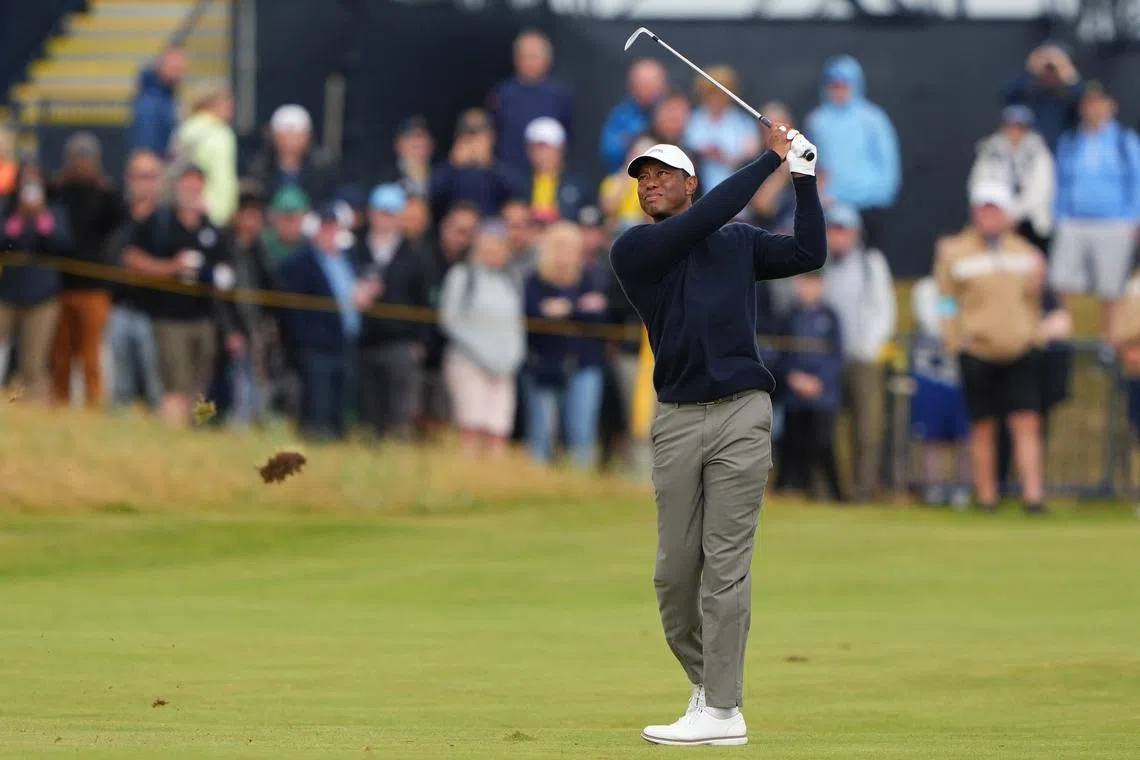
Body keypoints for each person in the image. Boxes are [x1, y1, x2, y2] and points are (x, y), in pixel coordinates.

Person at [609, 121, 824, 745]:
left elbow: (809, 254)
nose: (650, 184)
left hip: (742, 413)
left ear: (690, 182)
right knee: (675, 576)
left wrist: (803, 180)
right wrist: (771, 160)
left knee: (725, 565)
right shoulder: (635, 249)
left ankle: (722, 712)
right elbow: (699, 225)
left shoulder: (737, 241)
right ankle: (710, 688)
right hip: (676, 418)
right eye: (643, 178)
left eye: (662, 174)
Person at [935, 181, 1048, 515]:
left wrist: (1034, 333)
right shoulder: (954, 252)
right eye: (984, 208)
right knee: (982, 426)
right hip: (977, 349)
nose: (989, 215)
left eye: (995, 209)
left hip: (1020, 348)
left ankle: (1033, 497)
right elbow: (946, 302)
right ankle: (986, 496)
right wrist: (955, 340)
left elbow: (1033, 300)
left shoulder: (1025, 253)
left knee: (1026, 423)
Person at [123, 165, 231, 426]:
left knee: (201, 386)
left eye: (197, 186)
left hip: (203, 318)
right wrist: (171, 267)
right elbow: (131, 258)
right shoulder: (160, 222)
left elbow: (225, 268)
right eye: (187, 185)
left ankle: (197, 433)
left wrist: (219, 276)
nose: (192, 191)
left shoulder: (211, 229)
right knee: (176, 385)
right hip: (169, 319)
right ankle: (173, 436)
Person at [278, 204, 378, 441]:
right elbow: (292, 311)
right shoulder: (299, 263)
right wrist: (304, 342)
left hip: (345, 344)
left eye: (334, 228)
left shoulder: (349, 261)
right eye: (325, 228)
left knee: (340, 408)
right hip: (316, 348)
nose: (330, 233)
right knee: (317, 409)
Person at [1049, 82, 1140, 344]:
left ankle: (1108, 343)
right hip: (1074, 220)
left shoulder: (1124, 140)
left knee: (1111, 287)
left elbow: (1137, 180)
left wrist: (1134, 219)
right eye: (1088, 103)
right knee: (1062, 281)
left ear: (1111, 107)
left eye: (1099, 103)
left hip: (1114, 223)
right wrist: (1060, 214)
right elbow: (1061, 182)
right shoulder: (1071, 140)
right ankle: (1065, 336)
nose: (1093, 109)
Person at [821, 204, 896, 502]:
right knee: (833, 426)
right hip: (829, 357)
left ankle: (864, 490)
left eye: (843, 230)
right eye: (834, 229)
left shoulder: (871, 263)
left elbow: (884, 307)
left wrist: (872, 346)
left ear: (855, 233)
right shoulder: (821, 263)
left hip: (862, 356)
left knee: (868, 426)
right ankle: (838, 489)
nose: (838, 236)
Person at [521, 222, 609, 469]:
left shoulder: (591, 277)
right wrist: (578, 307)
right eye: (558, 247)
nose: (564, 254)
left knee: (582, 431)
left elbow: (599, 316)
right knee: (542, 432)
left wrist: (564, 309)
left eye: (570, 248)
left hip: (584, 366)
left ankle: (580, 486)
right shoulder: (534, 281)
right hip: (543, 367)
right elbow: (533, 316)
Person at [49, 132, 127, 407]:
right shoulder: (55, 192)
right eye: (77, 157)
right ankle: (58, 405)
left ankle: (94, 406)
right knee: (60, 355)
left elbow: (122, 227)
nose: (81, 163)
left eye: (86, 158)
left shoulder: (107, 196)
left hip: (94, 287)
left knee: (91, 355)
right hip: (59, 286)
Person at [353, 183, 433, 441]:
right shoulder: (355, 248)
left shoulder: (416, 255)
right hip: (362, 341)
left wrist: (420, 342)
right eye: (380, 212)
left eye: (390, 213)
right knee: (368, 414)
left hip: (401, 343)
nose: (384, 219)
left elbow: (425, 303)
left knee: (400, 416)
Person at [439, 222, 526, 457]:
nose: (493, 252)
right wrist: (483, 354)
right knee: (471, 424)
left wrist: (513, 357)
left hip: (503, 367)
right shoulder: (462, 275)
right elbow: (450, 320)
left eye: (498, 247)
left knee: (498, 427)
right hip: (467, 362)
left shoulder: (511, 280)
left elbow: (517, 325)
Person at [805, 55, 900, 249]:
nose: (838, 90)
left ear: (855, 85)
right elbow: (812, 163)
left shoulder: (873, 119)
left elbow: (888, 162)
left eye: (843, 84)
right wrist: (819, 193)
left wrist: (880, 195)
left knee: (870, 258)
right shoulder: (817, 120)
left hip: (869, 205)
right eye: (834, 84)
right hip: (831, 204)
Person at [0, 163, 73, 403]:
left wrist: (41, 218)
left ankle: (34, 407)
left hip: (42, 297)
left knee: (33, 362)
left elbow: (62, 244)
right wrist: (19, 219)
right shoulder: (7, 209)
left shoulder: (55, 210)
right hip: (7, 294)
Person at [771, 271, 844, 502]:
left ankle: (830, 493)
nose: (807, 289)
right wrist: (793, 378)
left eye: (812, 284)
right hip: (793, 395)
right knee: (791, 444)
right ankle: (789, 490)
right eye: (803, 283)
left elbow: (837, 356)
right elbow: (779, 354)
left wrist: (818, 382)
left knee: (822, 443)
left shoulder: (831, 317)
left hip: (823, 395)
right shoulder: (788, 317)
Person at [106, 149, 165, 412]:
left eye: (150, 176)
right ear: (128, 178)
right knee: (120, 389)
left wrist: (143, 264)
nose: (144, 182)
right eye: (139, 176)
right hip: (119, 308)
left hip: (158, 315)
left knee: (156, 388)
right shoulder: (116, 215)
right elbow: (112, 258)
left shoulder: (168, 219)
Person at [907, 276, 971, 508]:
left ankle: (962, 490)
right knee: (930, 437)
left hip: (963, 374)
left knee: (965, 436)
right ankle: (932, 488)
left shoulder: (970, 282)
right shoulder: (925, 288)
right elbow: (934, 322)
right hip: (932, 375)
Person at [219, 187, 278, 427]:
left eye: (257, 216)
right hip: (234, 329)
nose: (253, 222)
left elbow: (271, 289)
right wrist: (229, 330)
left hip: (257, 329)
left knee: (257, 381)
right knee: (238, 383)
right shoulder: (225, 247)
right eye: (249, 215)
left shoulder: (259, 251)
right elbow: (219, 297)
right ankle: (237, 425)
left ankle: (253, 422)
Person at [421, 202, 481, 437]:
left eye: (470, 233)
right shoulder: (425, 259)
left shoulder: (476, 268)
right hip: (426, 354)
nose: (464, 239)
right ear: (444, 228)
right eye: (459, 231)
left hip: (462, 355)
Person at [968, 104, 1056, 252]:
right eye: (1011, 125)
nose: (1015, 131)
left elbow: (1040, 192)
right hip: (996, 222)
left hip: (1031, 223)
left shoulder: (1040, 152)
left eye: (1020, 127)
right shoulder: (990, 150)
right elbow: (978, 185)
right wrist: (996, 215)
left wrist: (1013, 215)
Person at [487, 30, 573, 175]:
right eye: (523, 57)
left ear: (547, 60)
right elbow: (493, 132)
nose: (528, 62)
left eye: (533, 57)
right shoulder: (502, 94)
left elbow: (568, 136)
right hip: (508, 172)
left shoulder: (560, 95)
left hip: (547, 176)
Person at [429, 109, 523, 221]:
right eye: (468, 135)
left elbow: (519, 195)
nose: (473, 141)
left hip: (491, 230)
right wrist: (452, 165)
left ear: (491, 137)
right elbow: (431, 197)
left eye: (478, 135)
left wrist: (489, 165)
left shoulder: (501, 168)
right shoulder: (447, 169)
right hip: (456, 228)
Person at [169, 84, 239, 227]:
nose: (231, 107)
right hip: (205, 212)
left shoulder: (186, 129)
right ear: (211, 102)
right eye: (226, 101)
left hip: (199, 211)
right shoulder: (217, 133)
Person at [685, 66, 760, 191]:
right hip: (700, 187)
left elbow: (752, 151)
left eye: (721, 94)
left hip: (736, 185)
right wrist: (706, 152)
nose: (716, 99)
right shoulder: (694, 119)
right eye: (711, 94)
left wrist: (729, 158)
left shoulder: (742, 121)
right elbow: (688, 146)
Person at [248, 104, 339, 207]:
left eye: (296, 135)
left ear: (308, 137)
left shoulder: (322, 168)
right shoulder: (259, 168)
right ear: (273, 136)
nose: (290, 141)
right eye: (285, 135)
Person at [1001, 41, 1084, 153]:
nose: (1050, 71)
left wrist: (1067, 73)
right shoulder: (1029, 91)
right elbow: (1006, 96)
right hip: (1030, 154)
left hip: (1063, 153)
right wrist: (1031, 69)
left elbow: (1084, 105)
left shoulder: (1068, 94)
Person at [599, 59, 668, 173]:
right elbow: (609, 150)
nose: (648, 91)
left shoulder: (672, 109)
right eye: (643, 85)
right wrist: (634, 141)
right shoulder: (621, 115)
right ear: (632, 87)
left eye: (652, 85)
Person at [523, 117, 588, 224]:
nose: (543, 155)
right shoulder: (517, 184)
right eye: (538, 149)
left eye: (548, 148)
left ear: (561, 149)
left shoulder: (579, 185)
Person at [128, 45, 186, 155]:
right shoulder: (149, 100)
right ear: (160, 66)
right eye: (175, 68)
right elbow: (145, 145)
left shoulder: (170, 98)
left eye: (181, 68)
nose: (179, 73)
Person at [599, 136, 654, 234]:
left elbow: (652, 215)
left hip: (643, 228)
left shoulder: (655, 185)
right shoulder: (614, 180)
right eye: (637, 155)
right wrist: (625, 179)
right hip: (618, 228)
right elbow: (608, 210)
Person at [381, 116, 434, 198]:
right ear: (398, 145)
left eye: (423, 137)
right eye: (412, 138)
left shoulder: (441, 177)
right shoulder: (386, 178)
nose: (419, 142)